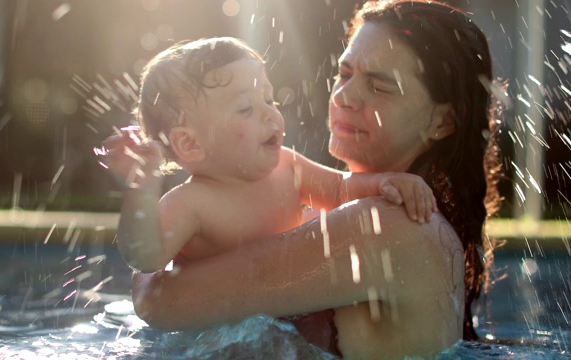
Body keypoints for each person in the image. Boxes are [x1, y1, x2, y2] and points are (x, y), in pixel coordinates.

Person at [126, 0, 504, 358]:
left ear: (443, 122)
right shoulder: (315, 218)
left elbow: (160, 301)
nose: (345, 96)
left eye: (378, 86)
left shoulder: (394, 226)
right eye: (345, 72)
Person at [100, 37, 436, 275]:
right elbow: (145, 259)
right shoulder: (191, 203)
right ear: (190, 144)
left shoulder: (288, 167)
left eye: (270, 99)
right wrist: (141, 190)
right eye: (246, 108)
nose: (270, 115)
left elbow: (340, 190)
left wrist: (386, 182)